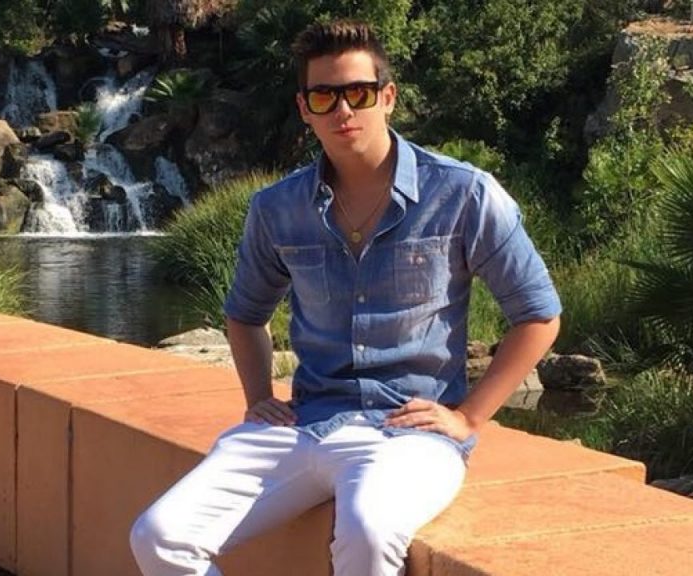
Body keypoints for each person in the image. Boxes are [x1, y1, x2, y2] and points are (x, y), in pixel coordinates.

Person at [129, 19, 561, 576]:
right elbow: (245, 315)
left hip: (409, 432)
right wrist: (258, 396)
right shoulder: (277, 208)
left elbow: (538, 314)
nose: (342, 110)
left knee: (369, 531)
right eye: (324, 97)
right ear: (304, 108)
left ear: (388, 97)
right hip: (303, 423)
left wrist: (470, 418)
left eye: (358, 93)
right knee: (160, 535)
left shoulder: (462, 193)